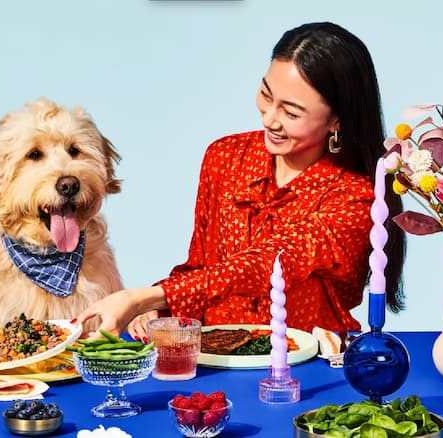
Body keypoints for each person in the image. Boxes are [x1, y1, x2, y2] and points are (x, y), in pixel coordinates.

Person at [72, 22, 406, 340]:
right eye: (266, 94)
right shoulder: (225, 156)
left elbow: (268, 263)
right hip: (215, 358)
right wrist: (165, 307)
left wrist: (144, 298)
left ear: (336, 121)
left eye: (291, 113)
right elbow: (200, 266)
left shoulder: (356, 197)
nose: (270, 119)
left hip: (309, 366)